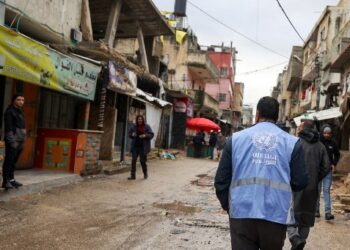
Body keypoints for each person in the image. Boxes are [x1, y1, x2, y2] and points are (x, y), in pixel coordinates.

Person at [214, 96, 309, 250]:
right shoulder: (292, 143)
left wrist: (229, 206)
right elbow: (300, 182)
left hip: (241, 213)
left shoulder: (235, 140)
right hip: (275, 215)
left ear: (257, 114)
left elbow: (221, 180)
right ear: (277, 117)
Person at [287, 119, 330, 250]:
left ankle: (294, 237)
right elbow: (326, 166)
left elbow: (286, 163)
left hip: (294, 186)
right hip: (312, 187)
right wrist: (316, 178)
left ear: (303, 128)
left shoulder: (295, 143)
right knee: (306, 215)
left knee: (290, 213)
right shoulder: (320, 146)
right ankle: (300, 242)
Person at [316, 124, 340, 220]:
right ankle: (316, 210)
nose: (326, 135)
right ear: (322, 132)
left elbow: (337, 154)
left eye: (328, 133)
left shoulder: (333, 143)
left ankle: (327, 212)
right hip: (318, 170)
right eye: (325, 133)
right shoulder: (317, 142)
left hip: (328, 171)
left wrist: (334, 163)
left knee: (326, 190)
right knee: (317, 191)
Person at [2, 94, 26, 190]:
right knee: (9, 161)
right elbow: (8, 129)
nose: (21, 102)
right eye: (18, 99)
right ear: (14, 101)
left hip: (20, 141)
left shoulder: (20, 111)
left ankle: (11, 180)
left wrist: (23, 139)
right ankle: (5, 181)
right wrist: (12, 142)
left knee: (14, 162)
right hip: (13, 141)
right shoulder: (9, 112)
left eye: (22, 100)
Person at [128, 115, 154, 180]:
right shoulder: (134, 126)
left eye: (141, 119)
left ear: (143, 120)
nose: (140, 120)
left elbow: (151, 134)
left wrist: (145, 135)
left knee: (142, 161)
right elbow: (129, 134)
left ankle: (145, 173)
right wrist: (132, 134)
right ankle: (133, 176)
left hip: (143, 147)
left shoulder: (147, 126)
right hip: (135, 147)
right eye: (138, 119)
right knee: (133, 160)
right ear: (137, 120)